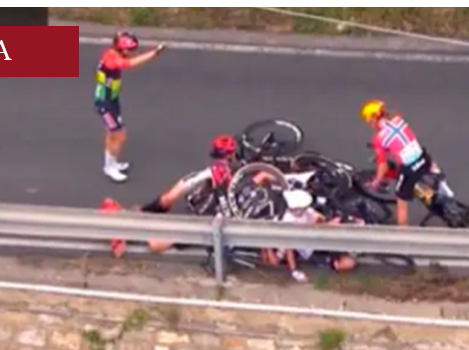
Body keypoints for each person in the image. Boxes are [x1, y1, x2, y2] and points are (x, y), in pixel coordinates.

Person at [103, 134, 240, 255]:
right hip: (203, 214)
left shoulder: (229, 171)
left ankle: (129, 223)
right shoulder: (215, 172)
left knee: (156, 242)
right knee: (157, 238)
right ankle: (128, 223)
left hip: (207, 216)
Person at [95, 31, 166, 182]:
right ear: (120, 47)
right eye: (128, 50)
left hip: (112, 100)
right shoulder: (111, 58)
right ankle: (109, 168)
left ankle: (111, 163)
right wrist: (154, 54)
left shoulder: (113, 53)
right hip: (105, 103)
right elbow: (130, 64)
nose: (130, 53)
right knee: (119, 135)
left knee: (112, 134)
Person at [362, 100, 437, 227]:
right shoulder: (398, 118)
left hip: (410, 169)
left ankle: (403, 233)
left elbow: (383, 166)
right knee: (430, 164)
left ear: (373, 119)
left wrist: (376, 182)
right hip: (423, 159)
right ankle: (443, 188)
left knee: (401, 201)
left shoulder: (379, 139)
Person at [261, 189, 357, 283]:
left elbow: (320, 219)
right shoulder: (288, 222)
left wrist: (327, 222)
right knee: (348, 263)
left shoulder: (306, 211)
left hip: (321, 239)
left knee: (348, 259)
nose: (306, 208)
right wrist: (294, 271)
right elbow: (283, 254)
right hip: (311, 251)